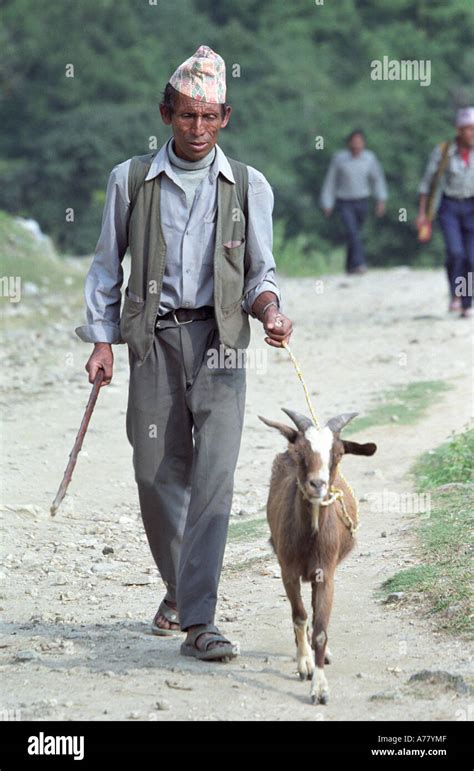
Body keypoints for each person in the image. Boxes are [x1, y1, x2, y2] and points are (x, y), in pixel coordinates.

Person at [75, 45, 293, 661]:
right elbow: (103, 267)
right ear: (166, 112)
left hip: (221, 345)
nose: (198, 129)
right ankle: (180, 586)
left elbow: (260, 273)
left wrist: (271, 310)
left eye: (210, 117)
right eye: (186, 116)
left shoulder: (250, 186)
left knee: (214, 479)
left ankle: (200, 619)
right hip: (153, 340)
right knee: (155, 471)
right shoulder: (130, 180)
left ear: (226, 117)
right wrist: (101, 340)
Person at [416, 107, 474, 318]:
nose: (472, 134)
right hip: (449, 207)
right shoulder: (444, 151)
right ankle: (456, 294)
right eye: (469, 129)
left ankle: (467, 303)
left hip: (472, 207)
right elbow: (427, 184)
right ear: (459, 131)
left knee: (471, 258)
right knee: (455, 253)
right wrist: (422, 214)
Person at [320, 129, 388, 274]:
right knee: (352, 232)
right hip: (344, 201)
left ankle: (350, 266)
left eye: (360, 142)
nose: (357, 144)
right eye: (354, 141)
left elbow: (377, 179)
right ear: (349, 143)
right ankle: (360, 263)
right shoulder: (339, 159)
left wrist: (381, 199)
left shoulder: (370, 158)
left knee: (356, 233)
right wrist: (327, 203)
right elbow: (331, 182)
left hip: (362, 201)